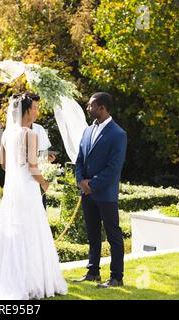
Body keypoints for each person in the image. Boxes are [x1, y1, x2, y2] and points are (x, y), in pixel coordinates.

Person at [0, 93, 67, 300]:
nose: (38, 111)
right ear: (27, 110)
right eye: (36, 108)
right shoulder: (30, 135)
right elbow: (32, 167)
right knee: (32, 231)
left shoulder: (6, 134)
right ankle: (32, 282)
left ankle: (12, 279)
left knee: (13, 230)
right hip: (29, 189)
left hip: (13, 189)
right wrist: (45, 182)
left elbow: (4, 164)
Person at [73, 92, 127, 288]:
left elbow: (114, 168)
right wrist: (80, 180)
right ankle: (93, 272)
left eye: (91, 105)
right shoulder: (87, 131)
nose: (88, 108)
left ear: (102, 107)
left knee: (113, 236)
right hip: (87, 194)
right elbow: (79, 159)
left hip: (105, 195)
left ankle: (116, 277)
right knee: (93, 235)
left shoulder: (118, 134)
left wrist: (91, 185)